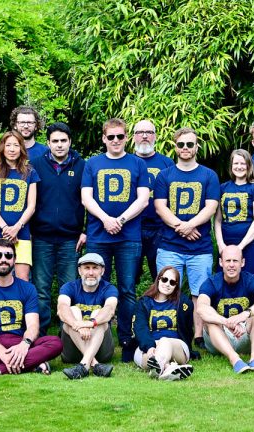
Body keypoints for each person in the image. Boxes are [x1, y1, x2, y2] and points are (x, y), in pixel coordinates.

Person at [81, 118, 149, 361]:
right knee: (99, 287)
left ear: (126, 137)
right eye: (111, 137)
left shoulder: (137, 163)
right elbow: (86, 198)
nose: (116, 140)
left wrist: (119, 220)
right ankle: (103, 336)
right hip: (99, 235)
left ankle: (126, 338)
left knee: (127, 289)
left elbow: (143, 199)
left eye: (120, 136)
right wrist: (106, 219)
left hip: (128, 236)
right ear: (104, 138)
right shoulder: (92, 163)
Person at [154, 127, 220, 349]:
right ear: (175, 147)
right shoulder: (165, 175)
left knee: (200, 293)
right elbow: (160, 207)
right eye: (181, 144)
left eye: (190, 144)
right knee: (167, 290)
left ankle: (198, 336)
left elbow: (211, 207)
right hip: (169, 245)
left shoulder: (209, 175)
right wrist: (181, 227)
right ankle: (171, 332)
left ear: (196, 147)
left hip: (200, 247)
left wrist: (190, 225)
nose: (185, 148)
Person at [0, 239, 62, 379]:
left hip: (20, 342)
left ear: (14, 259)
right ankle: (33, 364)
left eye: (8, 255)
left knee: (55, 343)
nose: (3, 259)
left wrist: (24, 345)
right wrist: (1, 351)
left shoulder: (28, 288)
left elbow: (33, 325)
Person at [30, 122, 86, 334]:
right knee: (41, 290)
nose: (60, 145)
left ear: (70, 142)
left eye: (63, 140)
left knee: (69, 289)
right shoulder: (35, 165)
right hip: (41, 237)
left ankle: (68, 335)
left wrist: (86, 230)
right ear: (48, 143)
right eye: (55, 141)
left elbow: (89, 200)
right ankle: (40, 335)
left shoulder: (82, 166)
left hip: (71, 239)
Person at [197, 246, 254, 373]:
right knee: (209, 320)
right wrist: (226, 322)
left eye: (235, 261)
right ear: (221, 262)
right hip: (219, 338)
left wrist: (244, 315)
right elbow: (201, 308)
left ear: (242, 262)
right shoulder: (211, 282)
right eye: (228, 260)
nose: (231, 265)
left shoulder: (251, 280)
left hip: (244, 333)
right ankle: (235, 360)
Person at [0, 131, 39, 281]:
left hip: (22, 232)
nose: (12, 149)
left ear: (21, 148)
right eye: (8, 145)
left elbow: (31, 205)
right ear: (2, 147)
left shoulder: (30, 172)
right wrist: (5, 228)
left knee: (23, 277)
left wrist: (16, 228)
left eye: (16, 145)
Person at [57, 253, 118, 379]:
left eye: (95, 268)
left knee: (98, 315)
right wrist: (77, 325)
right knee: (72, 311)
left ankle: (84, 365)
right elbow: (62, 308)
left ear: (102, 271)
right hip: (72, 351)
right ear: (80, 270)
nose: (91, 272)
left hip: (101, 351)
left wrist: (90, 323)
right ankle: (94, 364)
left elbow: (110, 309)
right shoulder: (69, 287)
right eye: (87, 268)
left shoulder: (109, 288)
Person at [133, 266, 195, 381]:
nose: (167, 284)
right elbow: (140, 328)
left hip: (176, 346)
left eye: (172, 282)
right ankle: (168, 368)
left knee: (164, 341)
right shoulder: (144, 303)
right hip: (149, 347)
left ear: (176, 286)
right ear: (158, 279)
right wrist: (150, 346)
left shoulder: (182, 302)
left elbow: (187, 328)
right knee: (155, 352)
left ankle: (158, 368)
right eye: (165, 279)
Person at [215, 149, 254, 279]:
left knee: (251, 282)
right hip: (227, 243)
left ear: (249, 165)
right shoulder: (223, 188)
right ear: (231, 166)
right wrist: (221, 244)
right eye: (236, 163)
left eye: (243, 163)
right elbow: (218, 220)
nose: (239, 167)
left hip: (251, 244)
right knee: (225, 281)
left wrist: (240, 247)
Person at [132, 119, 174, 282]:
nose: (144, 136)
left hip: (160, 228)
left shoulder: (167, 163)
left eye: (149, 132)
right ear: (133, 137)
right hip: (132, 227)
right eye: (140, 132)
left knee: (161, 277)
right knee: (129, 277)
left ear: (155, 136)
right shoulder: (127, 162)